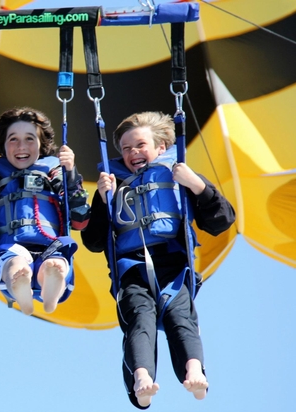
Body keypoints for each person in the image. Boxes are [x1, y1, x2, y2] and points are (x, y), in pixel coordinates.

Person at [80, 111, 235, 409]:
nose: (132, 153)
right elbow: (94, 241)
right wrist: (101, 200)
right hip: (131, 268)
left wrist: (198, 186)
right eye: (125, 149)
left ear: (162, 147)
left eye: (139, 145)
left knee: (181, 318)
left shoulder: (178, 176)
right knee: (139, 318)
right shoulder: (113, 185)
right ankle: (142, 377)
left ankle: (194, 370)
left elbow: (221, 221)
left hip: (174, 267)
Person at [0, 107, 89, 315]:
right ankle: (21, 283)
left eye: (30, 139)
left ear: (42, 144)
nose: (22, 146)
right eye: (13, 139)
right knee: (16, 263)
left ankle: (51, 291)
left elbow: (80, 219)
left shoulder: (54, 170)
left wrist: (71, 174)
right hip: (11, 246)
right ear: (3, 144)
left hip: (52, 245)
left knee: (55, 263)